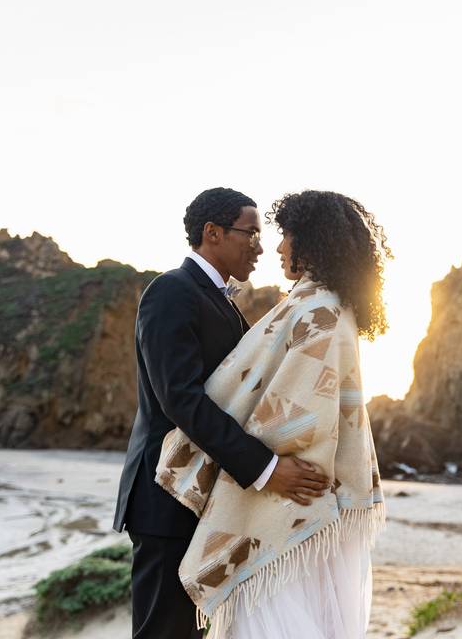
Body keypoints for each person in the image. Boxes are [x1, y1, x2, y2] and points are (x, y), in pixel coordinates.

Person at [155, 190, 391, 639]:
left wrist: (268, 469)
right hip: (253, 485)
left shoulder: (318, 309)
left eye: (284, 236)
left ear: (312, 241)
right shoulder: (315, 305)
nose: (275, 248)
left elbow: (299, 411)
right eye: (261, 234)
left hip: (283, 492)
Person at [112, 187, 331, 639]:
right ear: (212, 233)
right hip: (164, 499)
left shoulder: (225, 304)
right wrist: (267, 470)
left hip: (203, 500)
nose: (260, 246)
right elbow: (181, 400)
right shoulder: (170, 291)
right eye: (249, 234)